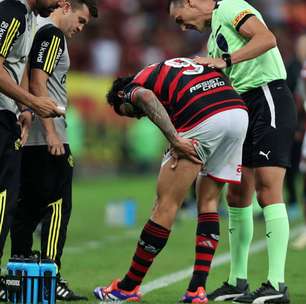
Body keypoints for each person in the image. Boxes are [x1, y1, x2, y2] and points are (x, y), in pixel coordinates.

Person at [168, 0, 297, 303]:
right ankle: (237, 280)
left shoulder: (228, 7)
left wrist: (225, 60)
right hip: (243, 107)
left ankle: (277, 284)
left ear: (190, 2)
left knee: (268, 189)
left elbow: (267, 38)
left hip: (268, 97)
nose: (183, 26)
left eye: (180, 19)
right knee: (237, 194)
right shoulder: (213, 37)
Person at [93, 57, 249, 303]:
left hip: (204, 115)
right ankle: (196, 290)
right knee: (208, 201)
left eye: (129, 114)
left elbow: (144, 98)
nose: (137, 118)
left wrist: (175, 138)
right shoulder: (169, 69)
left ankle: (128, 287)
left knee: (165, 205)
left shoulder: (129, 88)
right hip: (237, 113)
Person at [9, 0, 98, 301]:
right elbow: (38, 80)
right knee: (58, 204)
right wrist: (50, 132)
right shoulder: (52, 34)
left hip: (29, 131)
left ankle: (18, 272)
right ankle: (51, 274)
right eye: (81, 20)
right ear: (66, 7)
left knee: (26, 208)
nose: (80, 28)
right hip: (48, 134)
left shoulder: (35, 30)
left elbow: (25, 74)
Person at [0, 0, 64, 299]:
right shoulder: (10, 10)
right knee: (3, 199)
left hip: (8, 115)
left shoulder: (25, 17)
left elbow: (16, 65)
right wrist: (33, 100)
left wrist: (24, 106)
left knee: (9, 200)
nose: (61, 3)